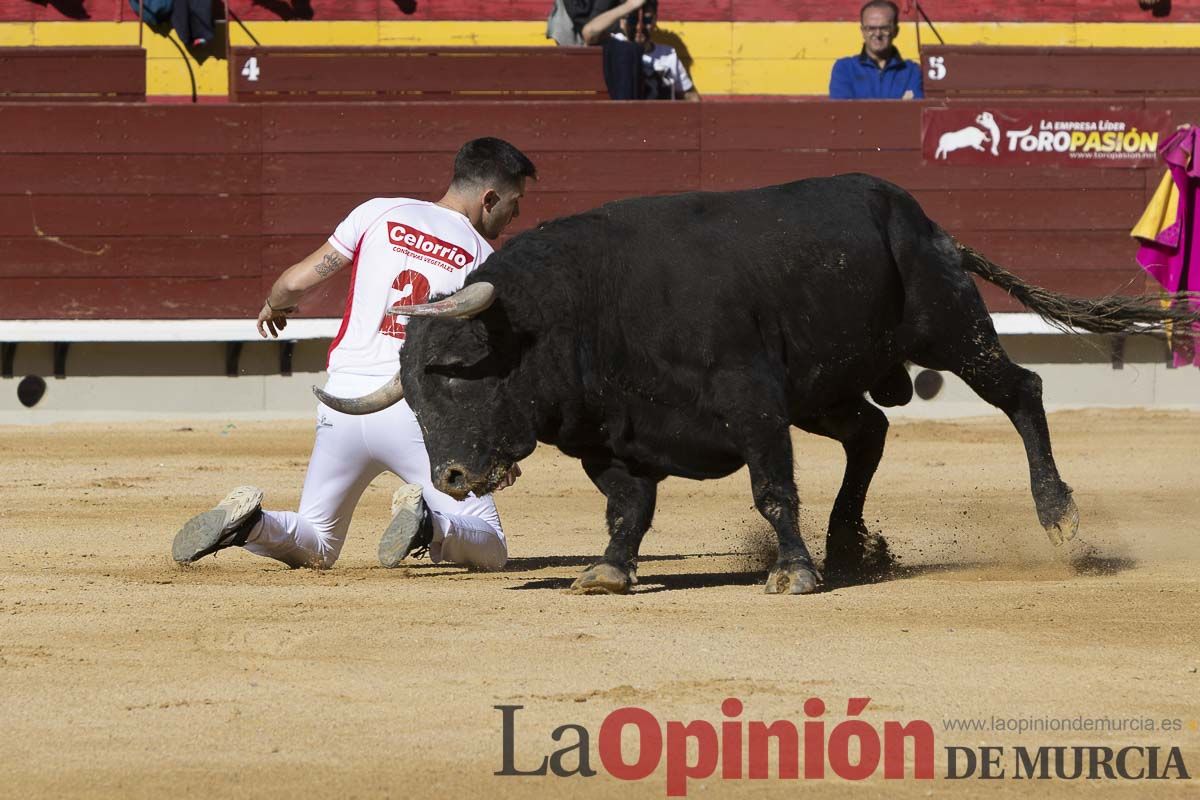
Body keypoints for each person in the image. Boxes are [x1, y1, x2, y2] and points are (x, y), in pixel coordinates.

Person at [171, 138, 537, 572]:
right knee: (490, 546)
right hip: (415, 413)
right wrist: (498, 449)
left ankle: (251, 525)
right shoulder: (483, 262)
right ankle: (430, 526)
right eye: (514, 203)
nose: (516, 215)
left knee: (318, 541)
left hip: (342, 404)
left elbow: (294, 282)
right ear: (488, 197)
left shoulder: (379, 211)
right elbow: (484, 371)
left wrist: (275, 303)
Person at [584, 0, 698, 101]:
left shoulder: (668, 54)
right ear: (622, 22)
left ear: (655, 20)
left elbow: (688, 94)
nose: (640, 26)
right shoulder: (615, 44)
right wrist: (630, 5)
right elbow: (589, 33)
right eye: (633, 19)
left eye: (647, 20)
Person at [829, 0, 923, 100]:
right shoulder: (845, 69)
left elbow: (914, 113)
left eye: (884, 28)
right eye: (871, 28)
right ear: (863, 31)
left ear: (896, 31)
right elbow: (843, 113)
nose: (878, 34)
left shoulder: (912, 71)